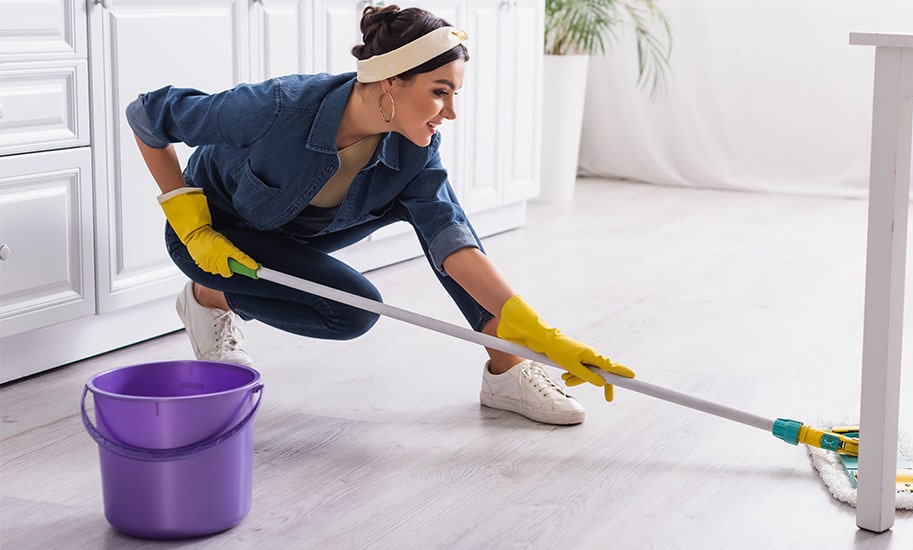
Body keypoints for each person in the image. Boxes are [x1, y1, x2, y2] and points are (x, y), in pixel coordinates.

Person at [125, 4, 632, 426]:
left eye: (455, 93)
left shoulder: (416, 149)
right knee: (351, 311)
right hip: (214, 240)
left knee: (438, 213)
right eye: (439, 91)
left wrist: (538, 329)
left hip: (297, 238)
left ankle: (508, 366)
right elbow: (147, 114)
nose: (450, 111)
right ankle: (208, 296)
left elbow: (451, 240)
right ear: (390, 82)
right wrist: (192, 226)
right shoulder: (277, 107)